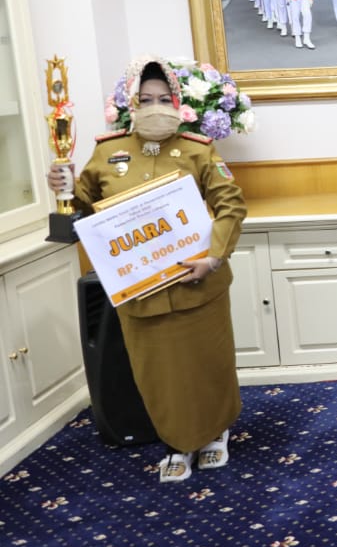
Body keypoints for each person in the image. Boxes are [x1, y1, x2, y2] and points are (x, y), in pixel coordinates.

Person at [46, 57, 246, 484]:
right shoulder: (107, 152)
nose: (156, 107)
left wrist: (213, 257)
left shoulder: (198, 149)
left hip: (199, 283)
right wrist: (65, 189)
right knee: (157, 373)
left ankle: (215, 432)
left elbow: (231, 206)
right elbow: (85, 208)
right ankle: (176, 442)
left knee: (207, 363)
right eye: (146, 99)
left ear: (178, 102)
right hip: (140, 292)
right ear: (131, 105)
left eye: (164, 99)